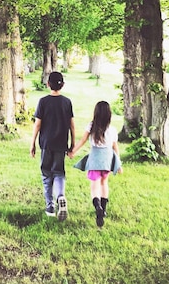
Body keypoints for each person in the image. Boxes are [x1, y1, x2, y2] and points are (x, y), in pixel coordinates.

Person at [30, 71, 75, 220]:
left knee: (46, 174)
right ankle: (60, 196)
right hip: (61, 144)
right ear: (63, 85)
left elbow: (37, 125)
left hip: (46, 144)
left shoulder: (43, 102)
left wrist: (33, 144)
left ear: (48, 84)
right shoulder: (67, 102)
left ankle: (50, 206)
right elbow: (72, 125)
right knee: (59, 173)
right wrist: (73, 144)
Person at [70, 100, 123, 227]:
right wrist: (119, 164)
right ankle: (103, 209)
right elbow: (115, 147)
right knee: (104, 183)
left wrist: (73, 151)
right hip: (107, 160)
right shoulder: (113, 130)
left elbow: (82, 140)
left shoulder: (91, 126)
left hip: (95, 159)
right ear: (109, 115)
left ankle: (97, 206)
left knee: (95, 186)